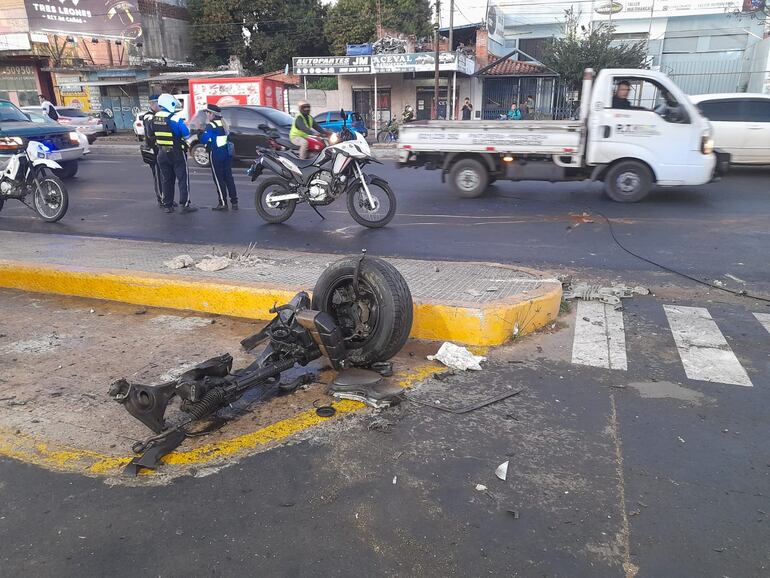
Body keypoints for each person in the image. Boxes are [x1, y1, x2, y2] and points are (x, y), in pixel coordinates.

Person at [149, 93, 197, 214]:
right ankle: (185, 204)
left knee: (166, 179)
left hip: (161, 153)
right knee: (182, 179)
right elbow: (186, 134)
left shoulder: (153, 118)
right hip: (176, 153)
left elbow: (150, 134)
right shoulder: (174, 118)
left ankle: (167, 205)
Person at [199, 104, 238, 211]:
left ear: (212, 114)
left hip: (215, 153)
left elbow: (204, 140)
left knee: (219, 179)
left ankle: (223, 203)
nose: (206, 115)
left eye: (207, 112)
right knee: (229, 178)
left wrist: (200, 132)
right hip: (226, 153)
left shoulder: (211, 125)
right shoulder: (223, 123)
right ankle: (234, 202)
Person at [140, 95, 164, 207]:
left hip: (160, 149)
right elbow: (151, 134)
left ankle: (166, 197)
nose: (161, 107)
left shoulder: (156, 115)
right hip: (154, 149)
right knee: (158, 175)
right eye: (159, 104)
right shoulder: (149, 117)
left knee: (163, 174)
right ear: (153, 104)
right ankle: (161, 198)